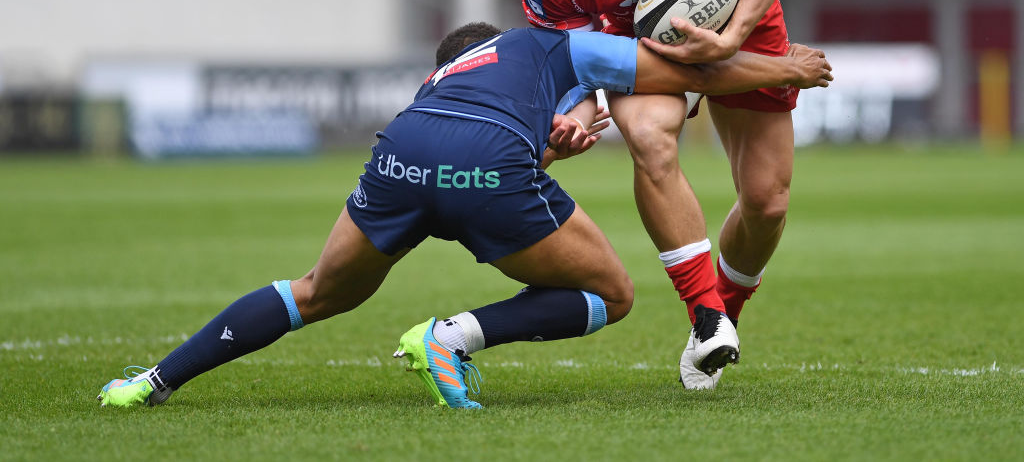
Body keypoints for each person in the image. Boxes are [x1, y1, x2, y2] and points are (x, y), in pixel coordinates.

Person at [97, 23, 831, 410]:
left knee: (319, 289)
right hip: (487, 166)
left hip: (402, 151)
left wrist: (537, 152)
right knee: (613, 295)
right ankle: (450, 337)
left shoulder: (445, 74)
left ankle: (153, 380)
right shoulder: (548, 44)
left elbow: (460, 152)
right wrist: (784, 69)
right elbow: (685, 71)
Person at [497, 0, 809, 389]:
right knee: (647, 136)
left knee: (766, 202)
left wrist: (730, 38)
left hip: (736, 23)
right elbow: (573, 62)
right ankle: (706, 314)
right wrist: (575, 115)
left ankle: (724, 317)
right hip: (634, 50)